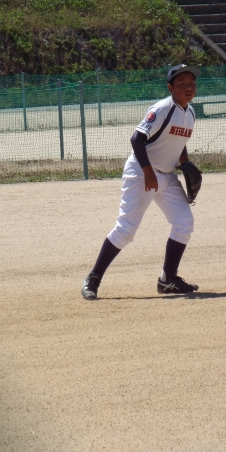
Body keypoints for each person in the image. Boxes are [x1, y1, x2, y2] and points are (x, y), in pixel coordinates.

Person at [81, 64, 203, 300]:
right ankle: (93, 278)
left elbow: (178, 141)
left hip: (166, 175)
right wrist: (147, 172)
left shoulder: (190, 112)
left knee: (184, 222)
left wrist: (186, 164)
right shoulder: (162, 109)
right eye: (181, 84)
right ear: (170, 88)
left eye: (191, 83)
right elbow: (137, 139)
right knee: (126, 229)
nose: (188, 87)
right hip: (141, 172)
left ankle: (168, 280)